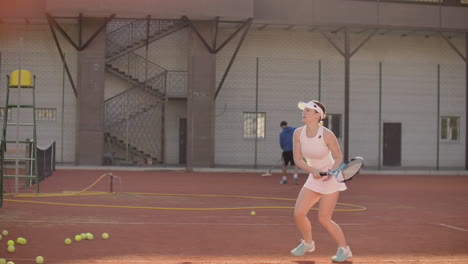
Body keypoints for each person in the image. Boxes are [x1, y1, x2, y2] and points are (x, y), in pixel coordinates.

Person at [289, 100, 352, 262]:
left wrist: (332, 172)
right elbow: (298, 159)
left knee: (323, 218)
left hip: (331, 179)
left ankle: (344, 249)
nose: (304, 113)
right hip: (314, 177)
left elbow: (338, 157)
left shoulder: (327, 135)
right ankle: (308, 243)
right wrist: (313, 171)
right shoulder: (298, 133)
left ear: (318, 115)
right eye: (304, 110)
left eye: (308, 110)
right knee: (298, 213)